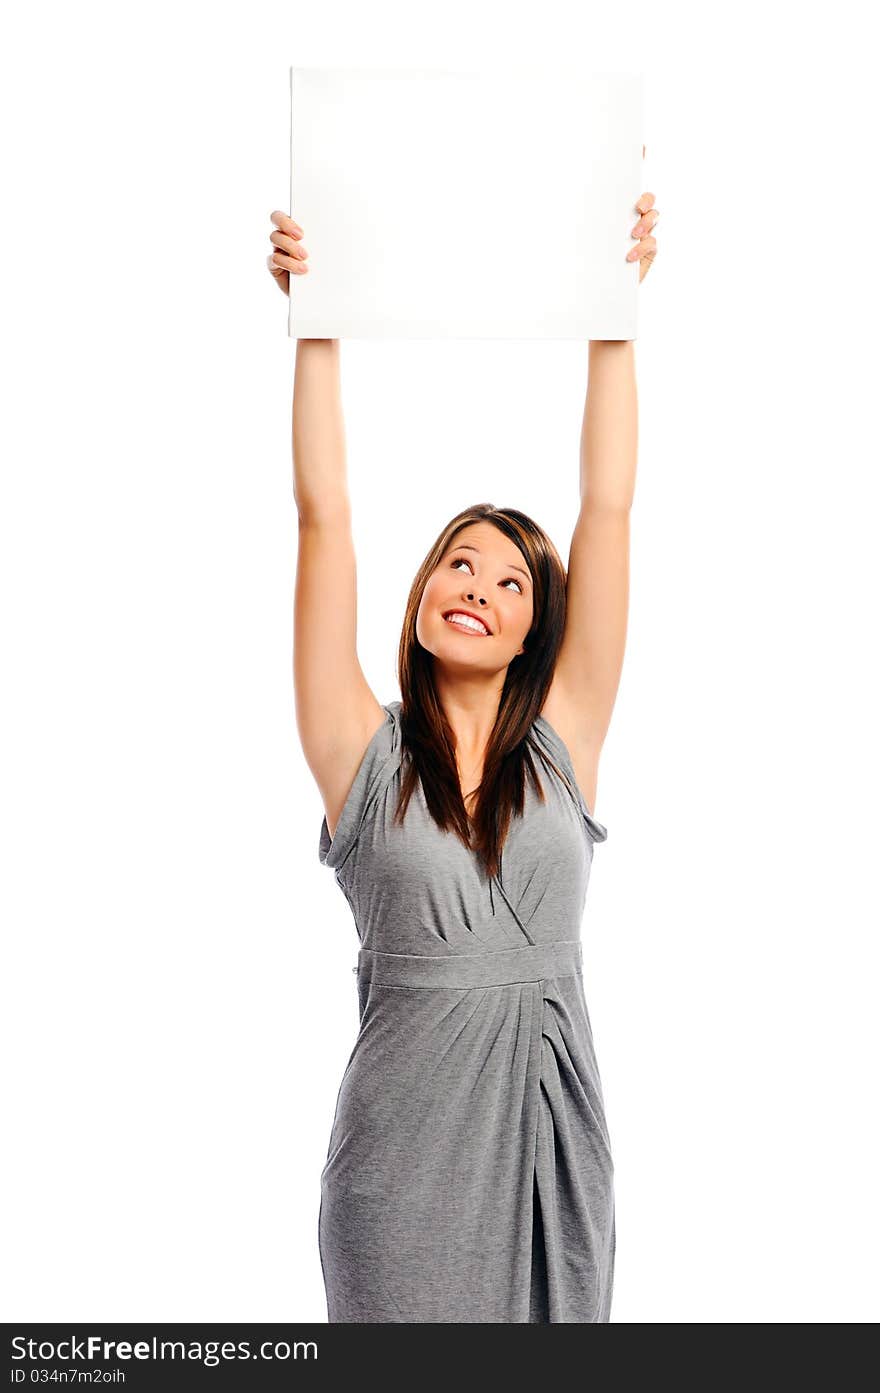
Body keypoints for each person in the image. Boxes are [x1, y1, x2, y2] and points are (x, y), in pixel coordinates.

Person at [267, 180, 659, 1322]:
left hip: (552, 1142)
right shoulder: (359, 752)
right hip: (398, 1165)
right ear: (422, 589)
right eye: (457, 562)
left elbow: (609, 506)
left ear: (541, 623)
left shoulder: (566, 740)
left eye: (509, 579)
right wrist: (313, 315)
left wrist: (613, 308)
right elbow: (322, 513)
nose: (477, 587)